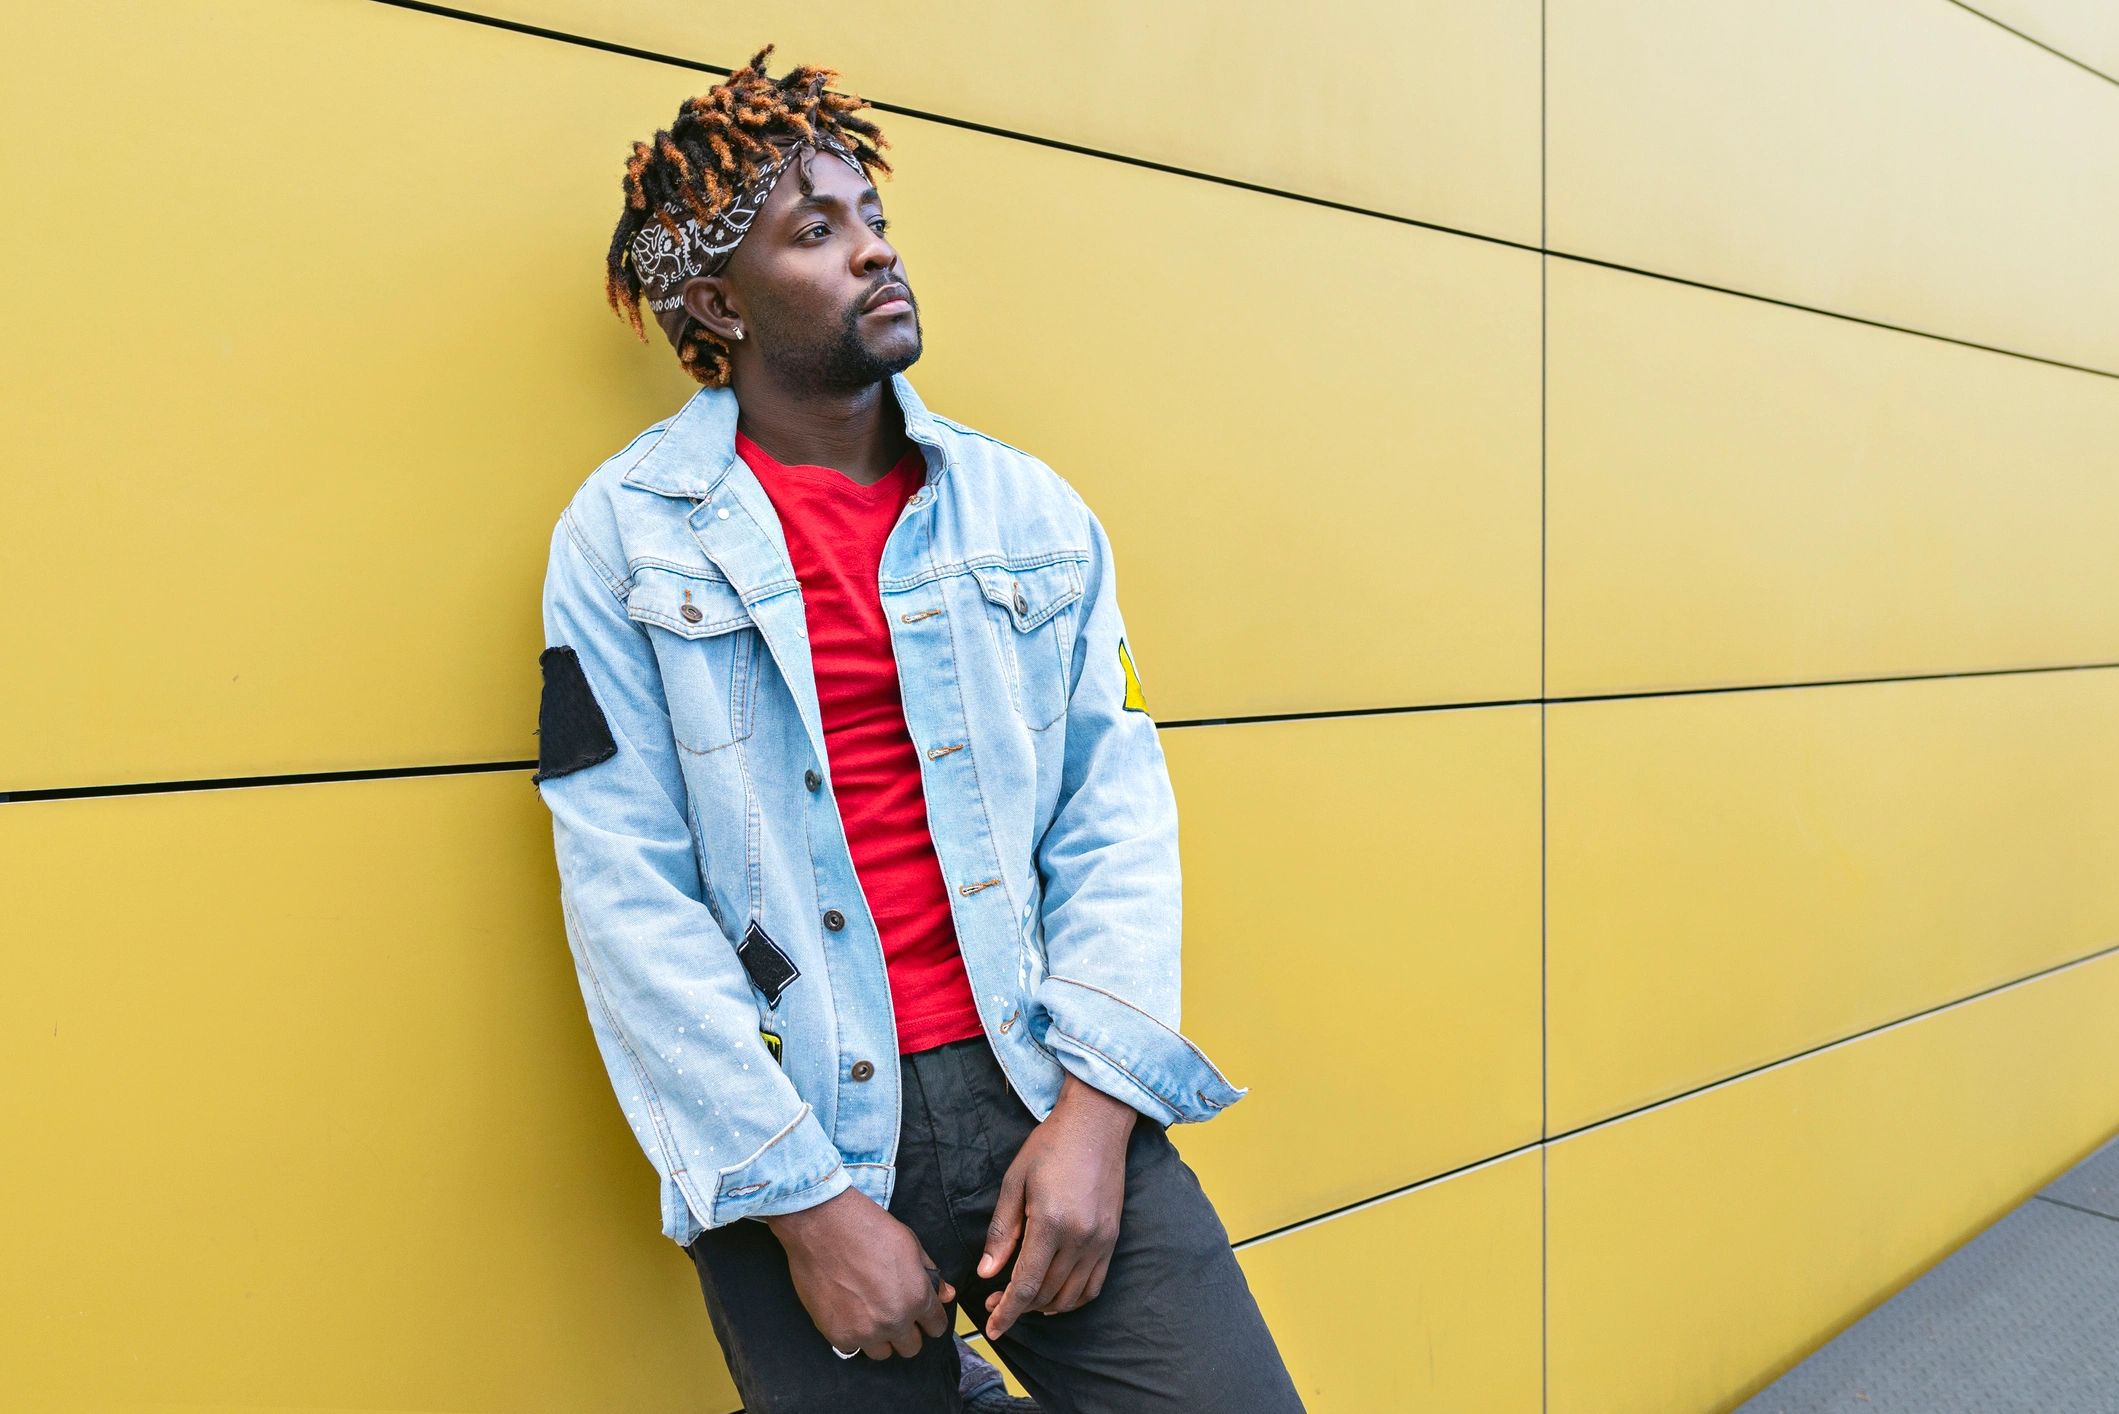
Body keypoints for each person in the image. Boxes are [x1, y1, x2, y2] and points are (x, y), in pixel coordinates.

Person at [531, 44, 1307, 1413]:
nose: (873, 253)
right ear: (718, 298)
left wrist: (1095, 1119)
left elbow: (1113, 812)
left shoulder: (1030, 514)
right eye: (814, 232)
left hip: (1041, 1078)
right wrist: (805, 1209)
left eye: (872, 219)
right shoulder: (625, 540)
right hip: (805, 1132)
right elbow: (626, 893)